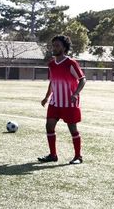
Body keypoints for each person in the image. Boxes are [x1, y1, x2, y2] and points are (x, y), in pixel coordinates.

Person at [38, 35, 86, 165]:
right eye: (53, 45)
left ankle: (78, 156)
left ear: (64, 48)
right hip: (55, 102)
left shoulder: (71, 63)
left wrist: (75, 94)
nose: (54, 48)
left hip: (69, 103)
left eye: (57, 45)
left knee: (72, 129)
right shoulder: (51, 64)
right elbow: (52, 82)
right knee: (49, 126)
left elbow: (82, 79)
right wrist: (47, 97)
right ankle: (53, 155)